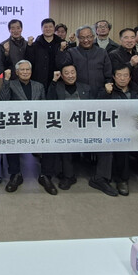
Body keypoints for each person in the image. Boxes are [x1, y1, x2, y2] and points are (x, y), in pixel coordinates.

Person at [57, 25, 115, 196]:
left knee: (105, 139)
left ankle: (101, 178)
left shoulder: (102, 53)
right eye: (82, 37)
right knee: (65, 138)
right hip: (76, 102)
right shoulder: (72, 52)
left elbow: (108, 75)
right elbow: (63, 68)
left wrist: (106, 91)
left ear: (94, 36)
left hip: (99, 100)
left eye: (89, 36)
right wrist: (63, 49)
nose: (86, 40)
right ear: (78, 38)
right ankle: (68, 175)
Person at [0, 60, 48, 192]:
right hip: (17, 125)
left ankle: (45, 175)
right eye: (22, 70)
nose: (25, 72)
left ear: (31, 71)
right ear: (17, 72)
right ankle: (16, 174)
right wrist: (6, 80)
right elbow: (4, 101)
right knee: (10, 139)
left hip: (36, 125)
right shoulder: (11, 84)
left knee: (49, 139)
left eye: (28, 70)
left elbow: (44, 106)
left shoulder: (39, 86)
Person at [98, 65, 138, 196]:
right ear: (113, 77)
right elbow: (97, 108)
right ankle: (122, 179)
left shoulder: (137, 92)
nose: (122, 78)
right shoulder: (107, 90)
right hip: (112, 128)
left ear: (130, 77)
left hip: (135, 128)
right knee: (121, 142)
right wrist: (106, 94)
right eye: (119, 75)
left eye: (125, 75)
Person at [46, 64, 93, 195]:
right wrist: (54, 81)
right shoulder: (57, 87)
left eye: (73, 72)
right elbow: (48, 102)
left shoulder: (86, 88)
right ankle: (69, 176)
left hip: (84, 126)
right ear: (61, 75)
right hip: (63, 127)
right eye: (66, 73)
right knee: (64, 140)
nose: (70, 75)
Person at [26, 18, 65, 88]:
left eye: (50, 27)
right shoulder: (35, 44)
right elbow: (30, 61)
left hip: (58, 81)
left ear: (54, 28)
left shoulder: (61, 44)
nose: (48, 29)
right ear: (41, 28)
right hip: (39, 81)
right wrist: (29, 46)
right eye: (45, 27)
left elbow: (64, 62)